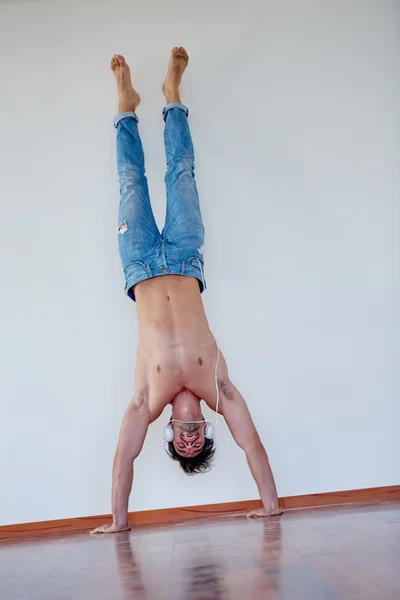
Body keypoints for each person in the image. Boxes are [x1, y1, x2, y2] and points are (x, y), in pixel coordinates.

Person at [91, 47, 282, 534]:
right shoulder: (219, 387)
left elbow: (122, 459)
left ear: (172, 432)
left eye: (184, 442)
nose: (192, 437)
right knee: (181, 172)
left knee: (130, 181)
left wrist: (118, 522)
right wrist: (271, 507)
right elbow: (253, 444)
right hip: (184, 254)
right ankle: (173, 96)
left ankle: (125, 106)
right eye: (199, 440)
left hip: (137, 264)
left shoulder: (144, 401)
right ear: (204, 427)